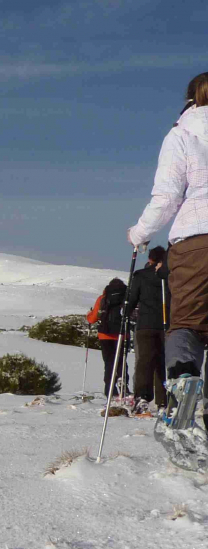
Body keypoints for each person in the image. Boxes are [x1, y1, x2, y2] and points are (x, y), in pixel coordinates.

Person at [127, 72, 208, 429]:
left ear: (190, 99)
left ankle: (184, 384)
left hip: (196, 241)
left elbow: (167, 197)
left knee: (186, 325)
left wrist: (138, 233)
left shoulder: (182, 135)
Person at [125, 246, 168, 408]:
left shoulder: (141, 276)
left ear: (149, 259)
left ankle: (142, 396)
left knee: (145, 361)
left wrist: (125, 314)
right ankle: (163, 400)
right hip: (165, 323)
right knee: (162, 362)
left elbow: (132, 298)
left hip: (145, 325)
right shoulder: (169, 276)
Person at [87, 278, 128, 397]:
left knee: (109, 362)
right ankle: (123, 387)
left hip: (105, 335)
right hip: (122, 334)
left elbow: (93, 317)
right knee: (121, 362)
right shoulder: (126, 298)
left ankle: (109, 388)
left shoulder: (102, 298)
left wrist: (88, 316)